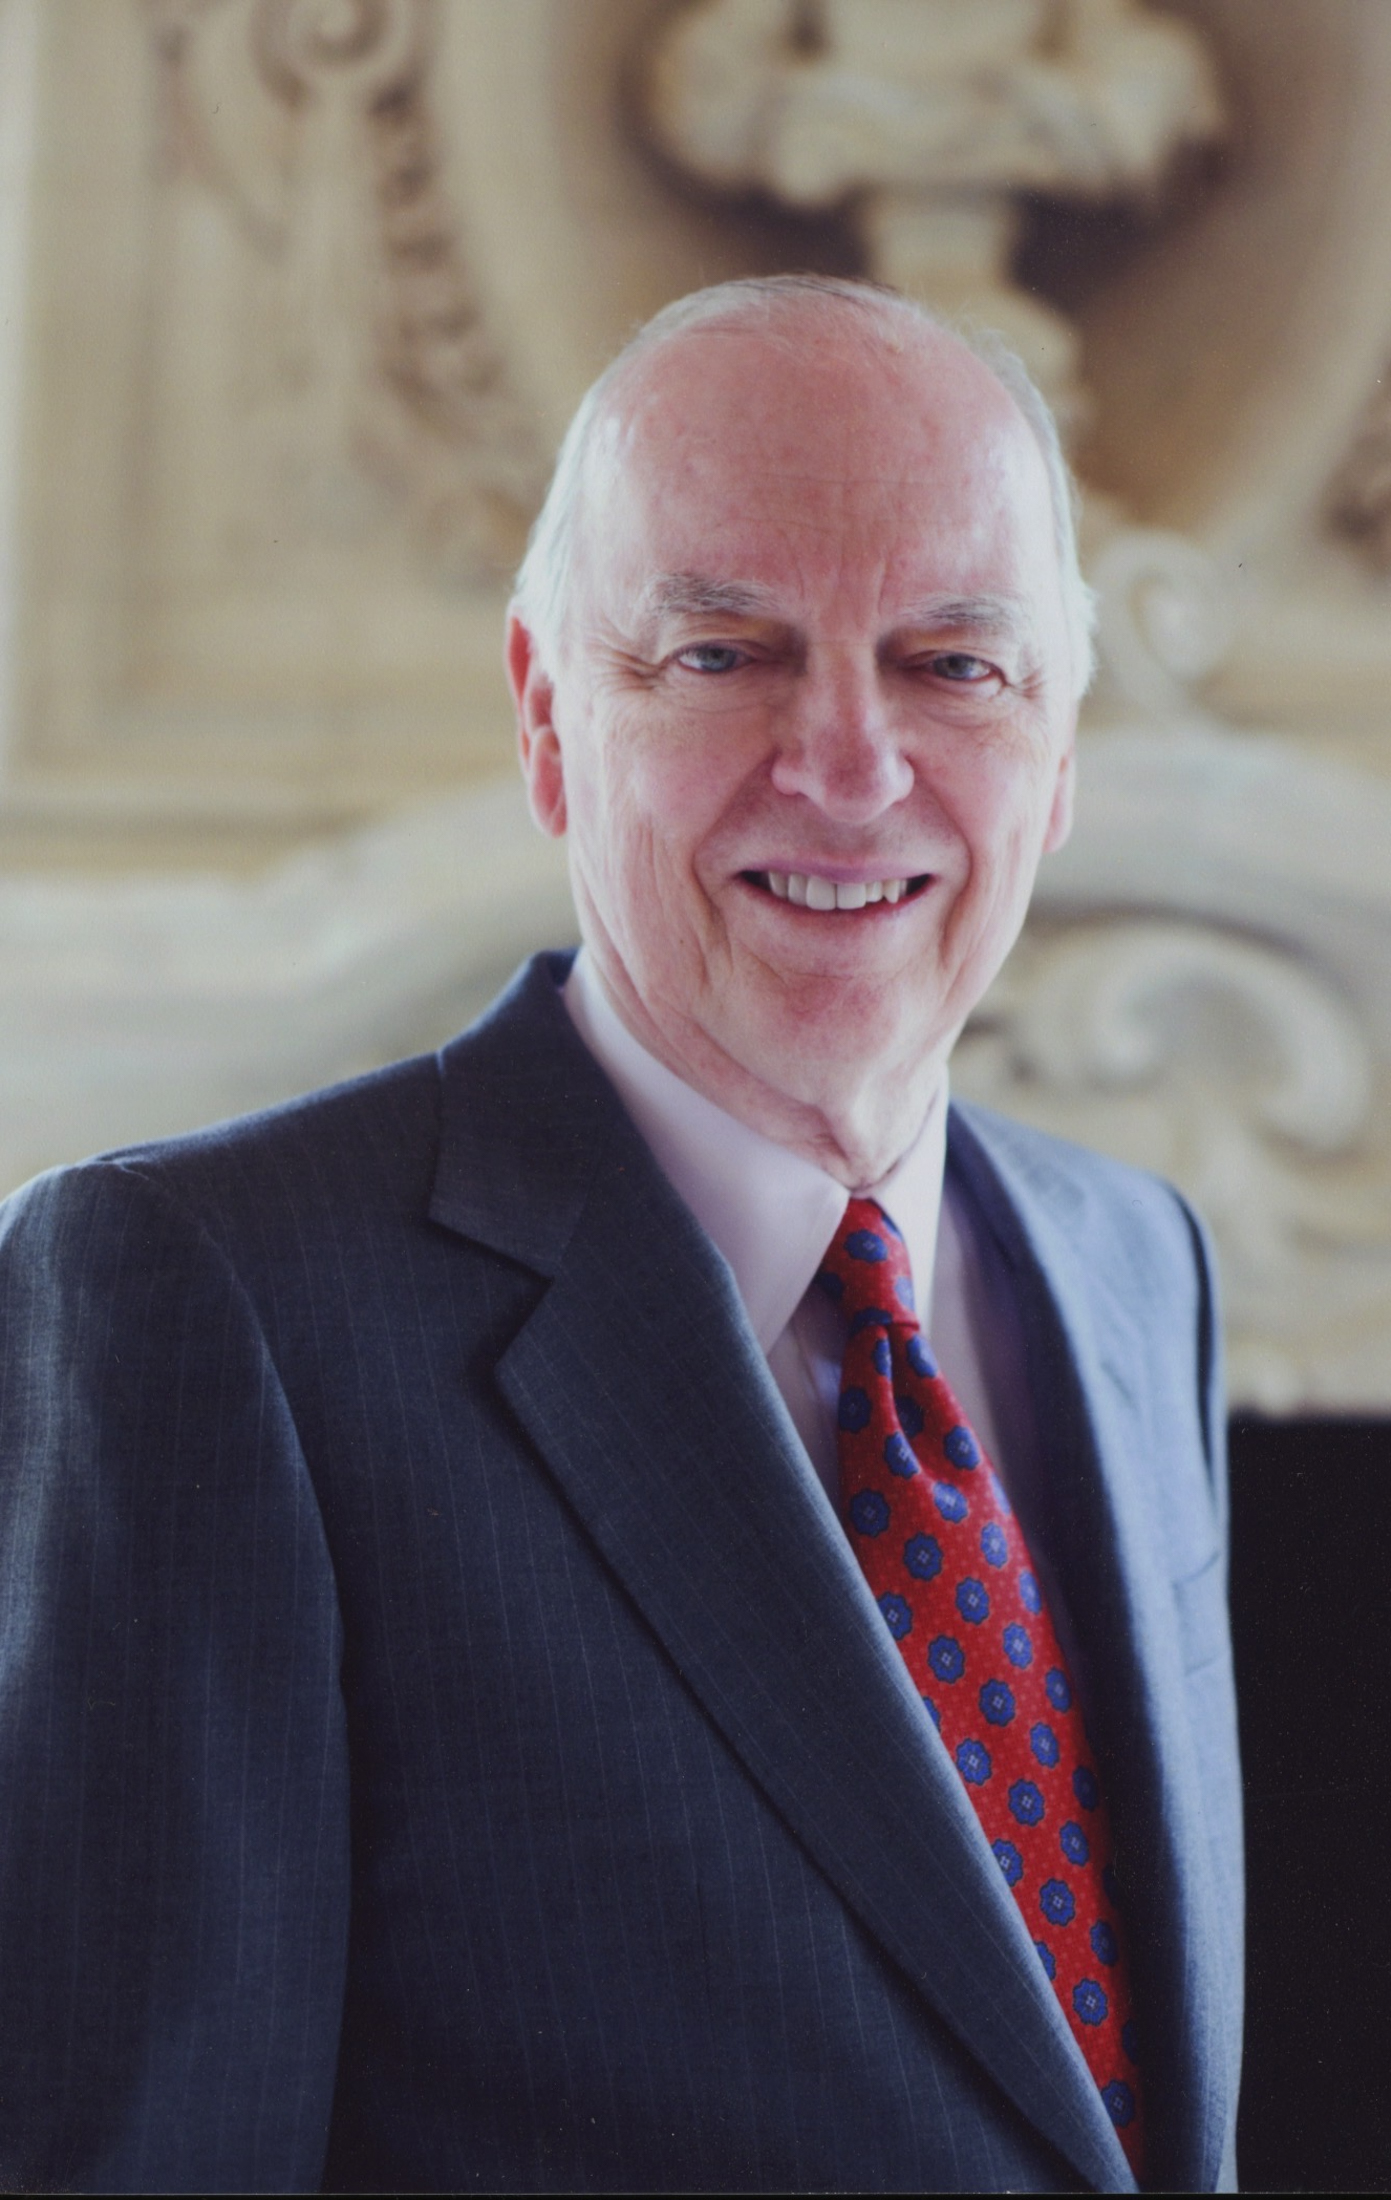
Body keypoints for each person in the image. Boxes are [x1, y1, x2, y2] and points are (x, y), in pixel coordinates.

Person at [0, 276, 1241, 2193]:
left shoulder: (1133, 1267)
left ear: (1059, 744)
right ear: (547, 714)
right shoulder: (206, 1303)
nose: (847, 764)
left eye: (953, 665)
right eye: (723, 653)